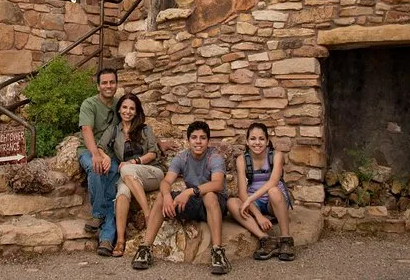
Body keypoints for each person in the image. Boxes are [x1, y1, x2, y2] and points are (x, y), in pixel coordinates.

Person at [131, 121, 231, 275]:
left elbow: (217, 184)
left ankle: (218, 252)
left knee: (209, 195)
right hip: (194, 201)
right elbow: (166, 182)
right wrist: (167, 196)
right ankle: (145, 248)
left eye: (203, 138)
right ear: (188, 140)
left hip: (215, 203)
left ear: (208, 141)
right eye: (194, 137)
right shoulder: (182, 157)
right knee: (161, 197)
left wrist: (190, 191)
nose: (198, 141)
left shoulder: (214, 157)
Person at [96, 93, 164, 258]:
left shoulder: (145, 129)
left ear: (136, 111)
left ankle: (147, 214)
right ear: (119, 110)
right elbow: (99, 147)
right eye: (125, 107)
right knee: (122, 193)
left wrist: (134, 162)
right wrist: (105, 157)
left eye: (132, 108)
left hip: (151, 172)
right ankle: (120, 241)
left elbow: (153, 153)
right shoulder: (114, 130)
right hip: (129, 177)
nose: (128, 111)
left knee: (125, 170)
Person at [226, 122, 294, 261]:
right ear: (247, 141)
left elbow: (273, 182)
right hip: (255, 203)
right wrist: (258, 216)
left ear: (267, 141)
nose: (257, 143)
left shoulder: (277, 155)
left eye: (261, 139)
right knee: (232, 203)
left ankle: (286, 239)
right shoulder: (242, 160)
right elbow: (242, 193)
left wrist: (249, 200)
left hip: (275, 202)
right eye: (253, 139)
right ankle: (266, 239)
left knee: (273, 191)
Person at [78, 68, 120, 256]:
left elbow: (137, 124)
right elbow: (86, 130)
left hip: (112, 155)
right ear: (98, 86)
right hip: (90, 151)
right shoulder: (89, 104)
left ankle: (106, 239)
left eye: (112, 82)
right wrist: (95, 154)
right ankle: (99, 217)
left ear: (116, 84)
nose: (108, 86)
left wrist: (158, 143)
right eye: (104, 83)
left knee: (112, 191)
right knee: (96, 169)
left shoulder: (120, 104)